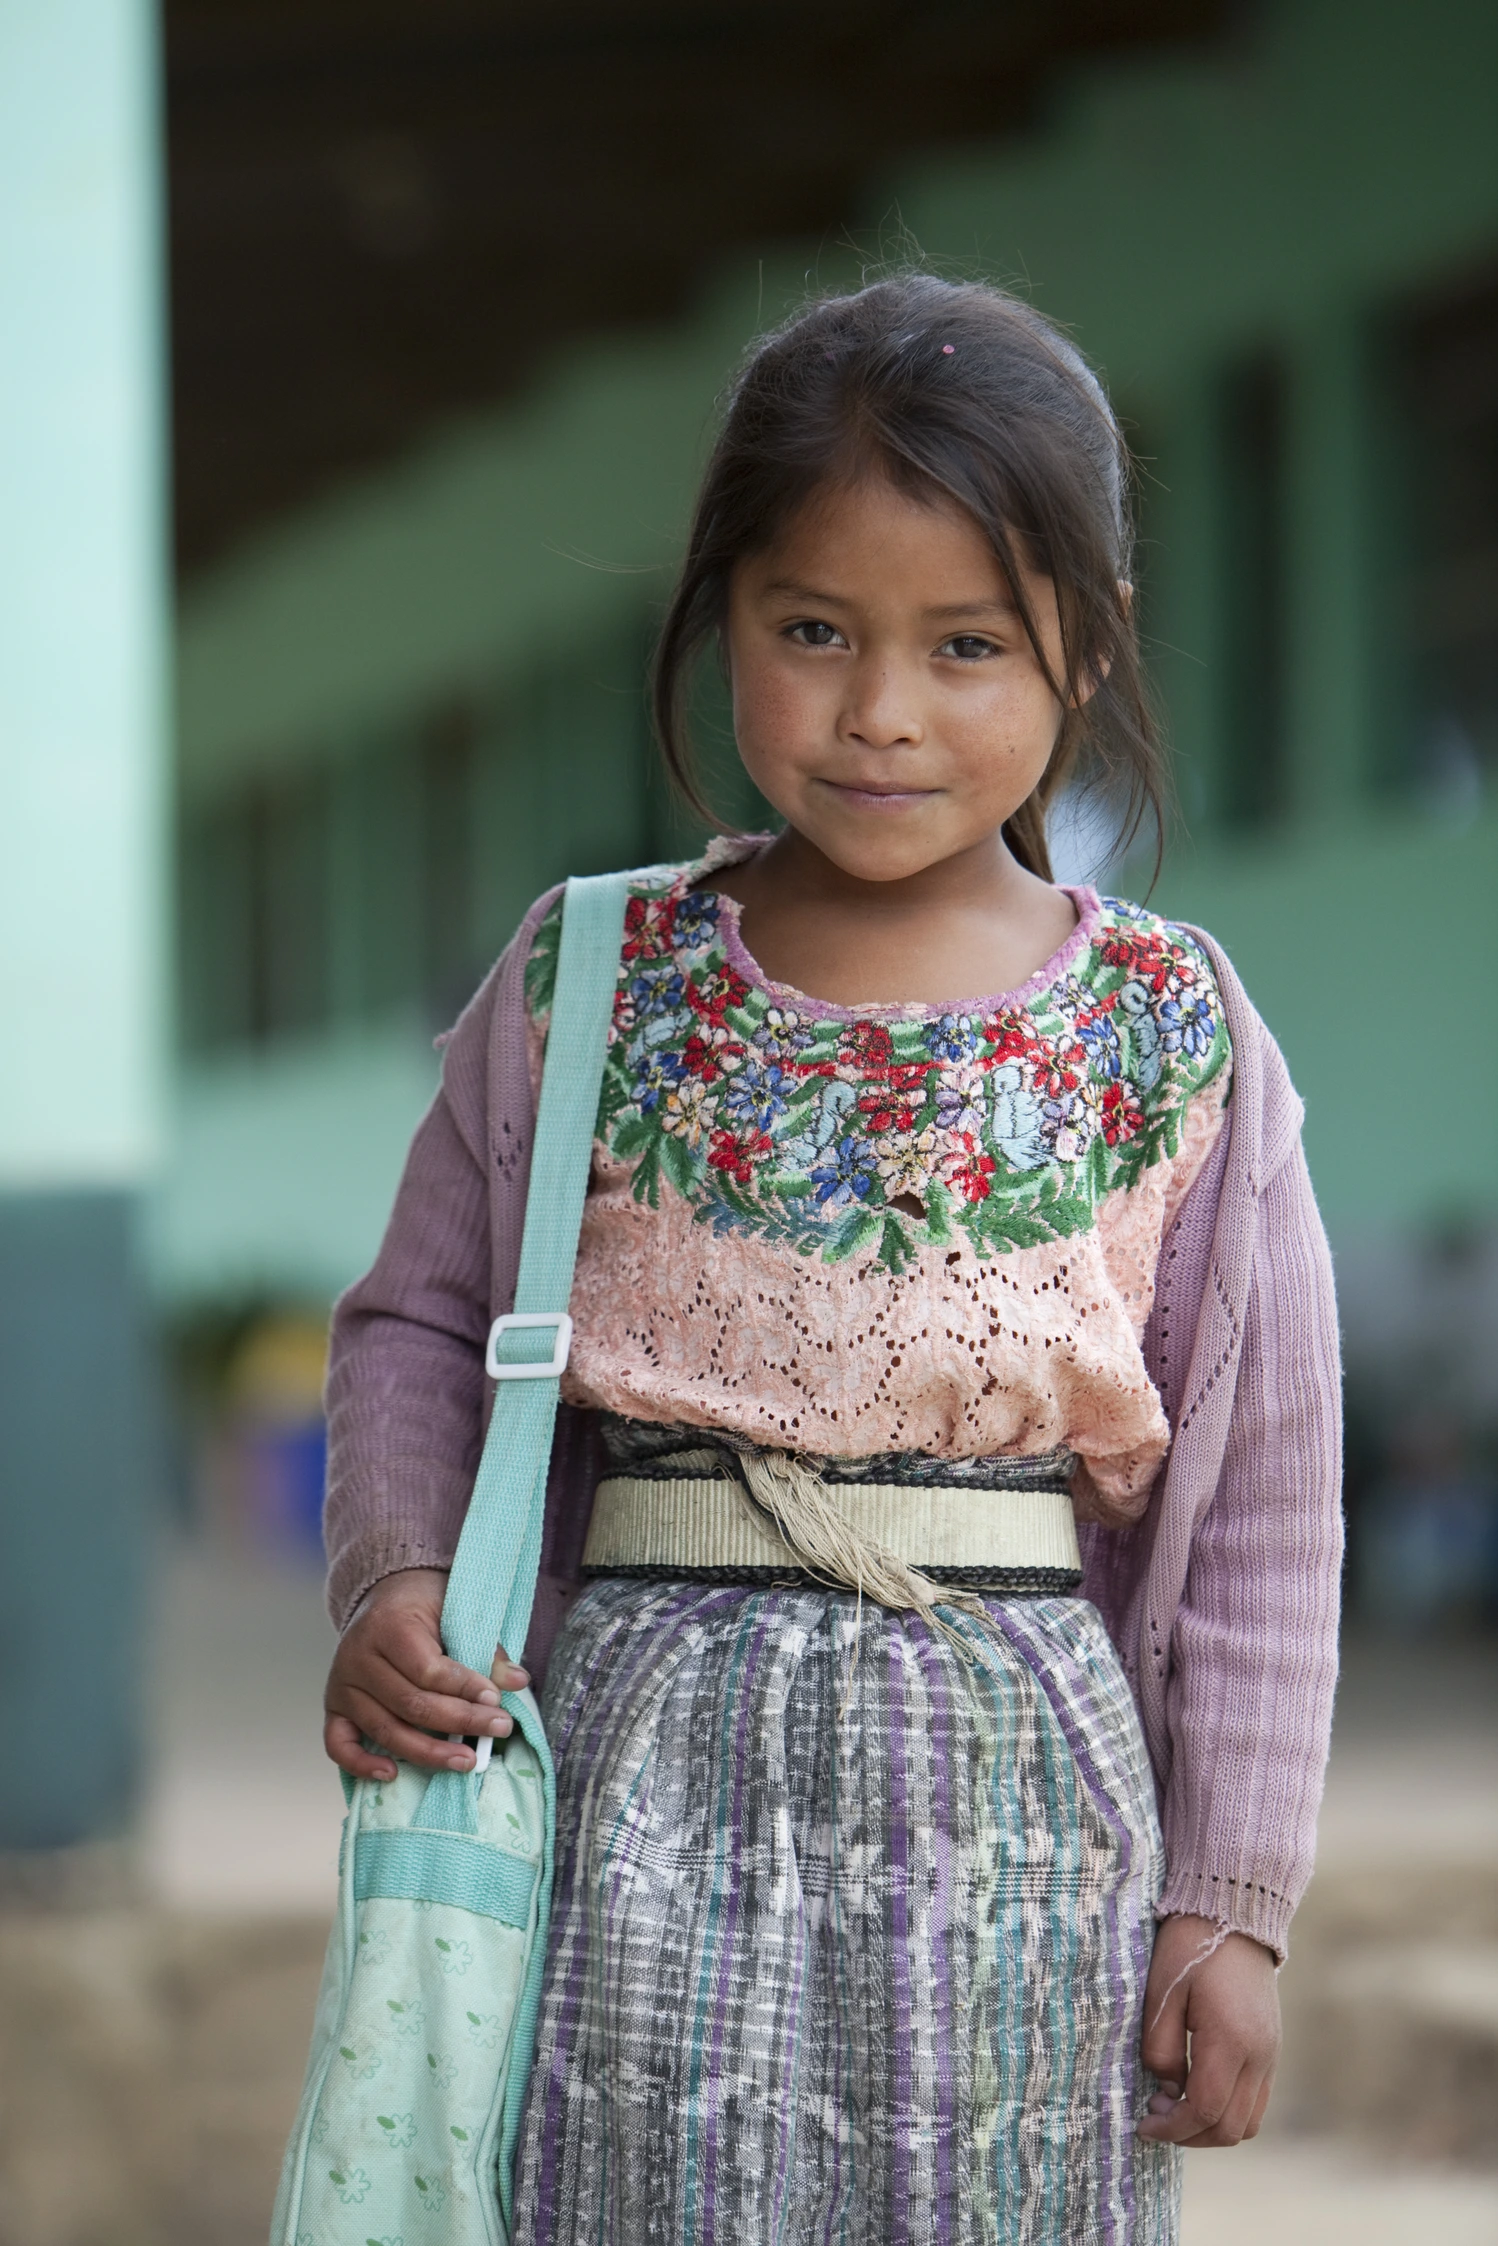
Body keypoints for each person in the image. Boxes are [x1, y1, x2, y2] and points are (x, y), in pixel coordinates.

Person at [318, 274, 1343, 2244]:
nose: (880, 708)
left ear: (1084, 649)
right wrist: (404, 1577)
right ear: (719, 626)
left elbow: (1264, 1515)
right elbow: (423, 1316)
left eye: (964, 644)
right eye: (811, 631)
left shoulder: (1163, 1026)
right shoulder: (587, 979)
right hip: (635, 1781)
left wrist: (1229, 1900)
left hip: (1019, 1812)